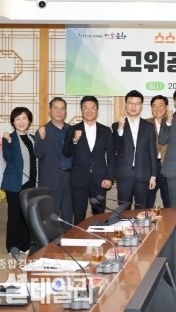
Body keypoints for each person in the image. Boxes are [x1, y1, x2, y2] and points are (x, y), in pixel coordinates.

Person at [63, 96, 115, 224]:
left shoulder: (106, 131)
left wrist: (109, 177)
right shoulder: (73, 129)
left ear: (97, 110)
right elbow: (66, 153)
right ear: (81, 110)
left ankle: (99, 236)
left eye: (93, 108)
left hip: (100, 180)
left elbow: (111, 156)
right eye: (85, 108)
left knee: (100, 216)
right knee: (79, 216)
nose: (89, 111)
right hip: (78, 180)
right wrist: (75, 140)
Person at [112, 90, 157, 209]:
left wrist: (153, 175)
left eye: (137, 104)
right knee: (123, 210)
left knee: (141, 210)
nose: (133, 106)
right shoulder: (116, 125)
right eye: (130, 103)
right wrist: (121, 128)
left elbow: (152, 152)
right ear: (125, 105)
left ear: (141, 106)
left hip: (143, 174)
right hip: (124, 174)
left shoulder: (149, 127)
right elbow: (117, 147)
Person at [33, 97, 73, 231]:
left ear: (66, 111)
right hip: (51, 180)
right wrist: (42, 138)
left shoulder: (72, 130)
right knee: (51, 216)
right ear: (49, 110)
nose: (59, 112)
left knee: (68, 216)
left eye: (62, 109)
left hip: (70, 179)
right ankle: (51, 242)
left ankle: (67, 241)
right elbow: (38, 154)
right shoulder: (42, 130)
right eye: (56, 108)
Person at [1, 107, 36, 254]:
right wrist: (9, 141)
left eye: (24, 118)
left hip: (31, 183)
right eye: (18, 119)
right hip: (14, 182)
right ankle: (13, 246)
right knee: (14, 216)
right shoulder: (9, 137)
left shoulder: (33, 139)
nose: (21, 122)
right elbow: (7, 157)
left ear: (29, 120)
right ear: (13, 122)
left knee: (27, 216)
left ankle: (26, 245)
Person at [146, 95, 171, 208]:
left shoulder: (173, 123)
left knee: (169, 201)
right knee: (148, 200)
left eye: (161, 105)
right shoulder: (145, 123)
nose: (158, 109)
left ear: (166, 107)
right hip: (150, 167)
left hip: (168, 166)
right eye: (154, 106)